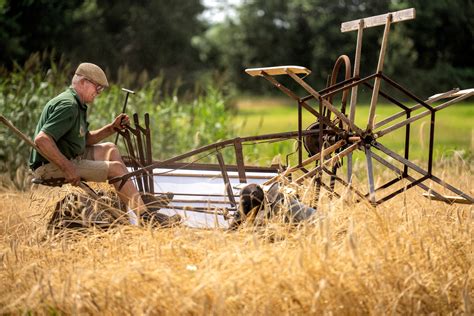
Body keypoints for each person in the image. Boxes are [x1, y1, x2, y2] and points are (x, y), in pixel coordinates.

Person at [29, 62, 180, 227]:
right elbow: (42, 140)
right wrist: (67, 167)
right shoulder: (68, 106)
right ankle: (148, 219)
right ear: (83, 82)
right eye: (97, 87)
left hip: (67, 156)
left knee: (110, 148)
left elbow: (84, 140)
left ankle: (138, 200)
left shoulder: (76, 104)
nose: (99, 93)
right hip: (50, 166)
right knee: (116, 168)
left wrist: (111, 128)